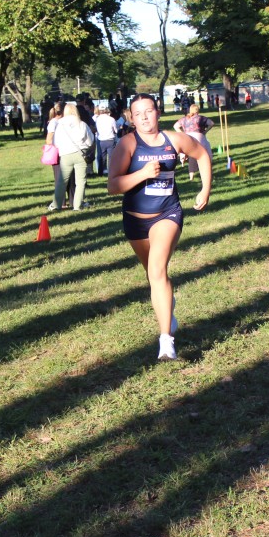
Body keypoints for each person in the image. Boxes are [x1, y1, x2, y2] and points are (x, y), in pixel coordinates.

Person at [108, 94, 212, 361]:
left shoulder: (174, 140)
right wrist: (143, 174)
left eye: (149, 111)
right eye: (138, 113)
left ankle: (166, 341)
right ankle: (168, 307)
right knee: (153, 275)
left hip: (167, 214)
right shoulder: (127, 144)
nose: (144, 117)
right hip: (134, 219)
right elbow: (113, 186)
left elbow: (202, 155)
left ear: (158, 112)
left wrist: (205, 189)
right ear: (132, 118)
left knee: (157, 270)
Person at [50, 104, 94, 211]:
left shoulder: (60, 124)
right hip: (81, 154)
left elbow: (55, 142)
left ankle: (56, 204)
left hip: (65, 154)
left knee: (62, 181)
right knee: (80, 181)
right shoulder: (81, 123)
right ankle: (77, 205)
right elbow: (90, 140)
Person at [173, 103, 214, 181]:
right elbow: (211, 123)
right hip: (199, 137)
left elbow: (175, 126)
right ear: (197, 110)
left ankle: (191, 176)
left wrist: (183, 134)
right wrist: (205, 131)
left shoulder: (184, 119)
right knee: (205, 155)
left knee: (192, 157)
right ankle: (207, 174)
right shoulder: (200, 118)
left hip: (188, 138)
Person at [94, 105, 118, 176]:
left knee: (102, 157)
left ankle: (101, 172)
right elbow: (115, 130)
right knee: (111, 157)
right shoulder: (111, 119)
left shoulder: (97, 119)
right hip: (110, 140)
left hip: (101, 140)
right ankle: (111, 172)